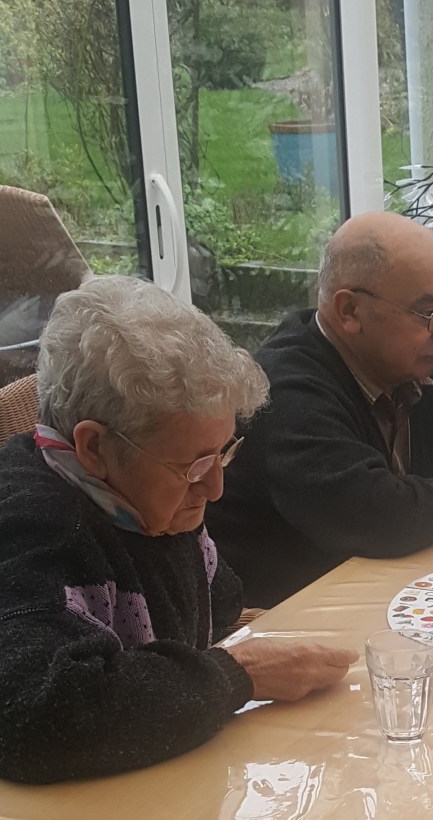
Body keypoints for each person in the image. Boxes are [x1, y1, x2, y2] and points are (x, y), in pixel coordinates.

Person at [0, 276, 356, 784]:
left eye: (224, 453)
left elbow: (221, 607)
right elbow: (38, 718)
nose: (214, 488)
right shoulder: (30, 526)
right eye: (193, 466)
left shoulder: (143, 501)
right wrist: (239, 675)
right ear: (94, 448)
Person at [207, 213, 433, 608]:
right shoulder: (282, 390)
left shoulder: (409, 370)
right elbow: (376, 516)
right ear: (350, 312)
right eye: (430, 314)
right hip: (286, 627)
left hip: (390, 600)